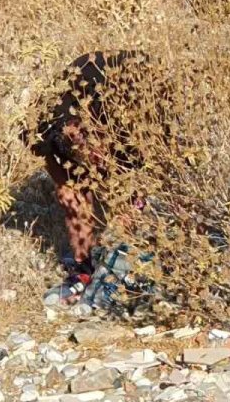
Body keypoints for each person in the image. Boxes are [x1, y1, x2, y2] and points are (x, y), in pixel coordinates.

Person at [25, 51, 154, 282]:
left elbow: (135, 172)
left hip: (135, 86)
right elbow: (58, 177)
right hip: (84, 100)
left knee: (130, 197)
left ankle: (130, 260)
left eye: (94, 150)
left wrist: (129, 205)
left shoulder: (122, 117)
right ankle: (84, 266)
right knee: (69, 192)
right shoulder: (43, 125)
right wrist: (68, 187)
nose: (90, 155)